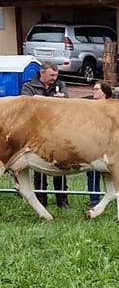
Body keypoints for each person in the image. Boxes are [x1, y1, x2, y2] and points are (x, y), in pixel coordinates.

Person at [21, 61, 69, 209]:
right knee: (39, 165)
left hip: (57, 130)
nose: (54, 78)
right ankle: (41, 199)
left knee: (60, 165)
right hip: (37, 132)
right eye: (51, 75)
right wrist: (52, 101)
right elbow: (27, 104)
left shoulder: (61, 85)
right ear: (42, 73)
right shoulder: (28, 86)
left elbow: (68, 103)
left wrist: (62, 100)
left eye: (56, 75)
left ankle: (62, 200)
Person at [86, 80, 113, 206]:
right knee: (92, 172)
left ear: (105, 92)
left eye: (97, 89)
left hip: (111, 145)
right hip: (93, 145)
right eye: (94, 89)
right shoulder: (89, 106)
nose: (94, 91)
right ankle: (94, 199)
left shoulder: (112, 106)